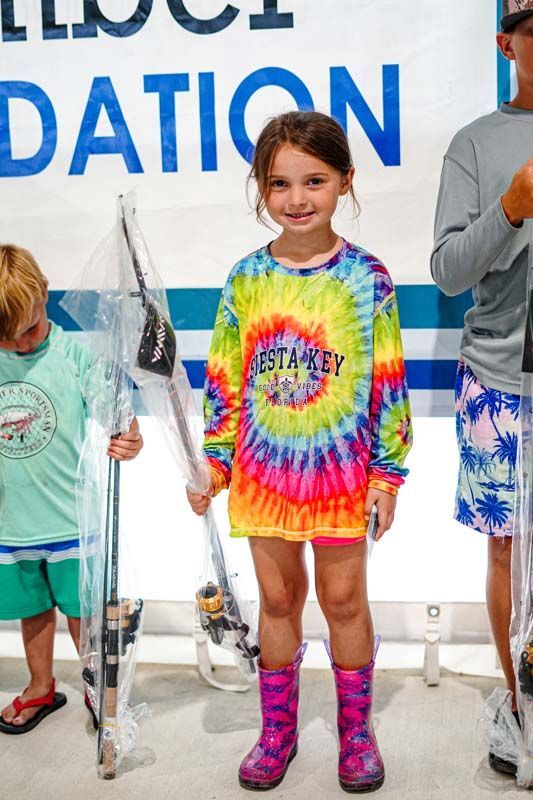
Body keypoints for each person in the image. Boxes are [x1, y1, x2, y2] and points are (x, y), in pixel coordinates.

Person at [186, 111, 412, 793]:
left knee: (343, 600)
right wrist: (215, 460)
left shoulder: (367, 278)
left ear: (344, 180)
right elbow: (224, 374)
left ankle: (354, 733)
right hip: (264, 476)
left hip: (341, 475)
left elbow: (388, 383)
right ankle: (277, 730)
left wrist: (387, 474)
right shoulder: (245, 279)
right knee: (277, 599)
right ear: (260, 188)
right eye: (279, 183)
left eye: (313, 180)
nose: (296, 198)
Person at [431, 0, 533, 776]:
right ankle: (515, 696)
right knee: (505, 544)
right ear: (506, 43)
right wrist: (510, 206)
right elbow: (447, 271)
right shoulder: (474, 144)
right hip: (500, 378)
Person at [0, 244, 143, 734]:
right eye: (6, 339)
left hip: (70, 522)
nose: (19, 346)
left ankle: (94, 683)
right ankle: (42, 686)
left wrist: (130, 435)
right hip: (11, 523)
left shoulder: (72, 355)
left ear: (44, 296)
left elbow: (120, 418)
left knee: (84, 613)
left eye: (29, 332)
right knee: (32, 610)